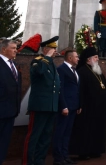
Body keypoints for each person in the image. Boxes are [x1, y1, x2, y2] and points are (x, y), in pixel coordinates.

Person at [70, 47, 106, 159]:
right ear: (88, 59)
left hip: (99, 107)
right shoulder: (82, 71)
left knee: (97, 129)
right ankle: (84, 152)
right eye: (95, 57)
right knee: (86, 130)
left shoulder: (97, 70)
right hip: (87, 107)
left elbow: (102, 83)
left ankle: (96, 149)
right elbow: (80, 90)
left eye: (97, 57)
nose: (97, 59)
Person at [23, 36, 60, 165]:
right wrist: (47, 57)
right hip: (39, 106)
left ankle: (39, 161)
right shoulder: (37, 62)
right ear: (46, 49)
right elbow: (39, 73)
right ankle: (28, 162)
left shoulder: (52, 64)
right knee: (34, 135)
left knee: (45, 137)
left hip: (51, 107)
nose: (56, 51)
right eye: (53, 49)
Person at [53, 49, 80, 165]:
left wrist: (78, 105)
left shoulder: (74, 70)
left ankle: (65, 155)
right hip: (65, 107)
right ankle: (58, 158)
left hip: (74, 107)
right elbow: (60, 89)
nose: (78, 58)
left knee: (67, 133)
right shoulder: (61, 69)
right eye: (76, 57)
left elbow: (76, 89)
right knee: (60, 132)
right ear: (70, 58)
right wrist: (63, 106)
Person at [0, 39, 22, 164]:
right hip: (1, 109)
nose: (16, 50)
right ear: (4, 49)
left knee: (4, 141)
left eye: (16, 48)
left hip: (11, 110)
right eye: (13, 48)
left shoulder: (13, 64)